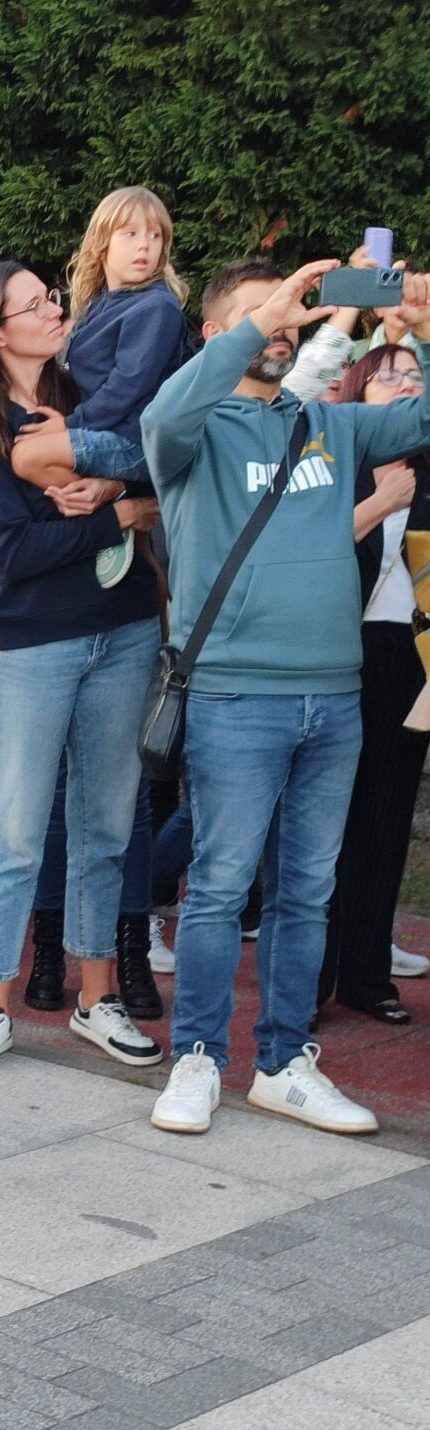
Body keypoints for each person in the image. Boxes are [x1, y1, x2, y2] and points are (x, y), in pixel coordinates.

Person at [146, 258, 430, 1137]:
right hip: (236, 698)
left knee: (307, 890)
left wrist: (417, 322)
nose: (279, 327)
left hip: (333, 698)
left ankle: (279, 1063)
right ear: (216, 332)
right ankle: (196, 1058)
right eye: (259, 316)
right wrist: (260, 313)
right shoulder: (191, 435)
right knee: (221, 887)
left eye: (288, 317)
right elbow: (162, 413)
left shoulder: (330, 425)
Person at [0, 261, 167, 1073]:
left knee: (107, 825)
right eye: (36, 305)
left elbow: (157, 478)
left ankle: (97, 999)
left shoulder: (96, 396)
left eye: (52, 298)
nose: (57, 311)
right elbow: (12, 551)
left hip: (126, 629)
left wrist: (127, 498)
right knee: (19, 833)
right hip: (31, 642)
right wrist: (116, 518)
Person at [315, 343, 430, 1026]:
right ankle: (308, 981)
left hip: (406, 655)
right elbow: (301, 543)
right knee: (320, 826)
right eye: (388, 376)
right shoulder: (333, 457)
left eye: (414, 377)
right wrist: (381, 501)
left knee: (386, 820)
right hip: (331, 651)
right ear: (359, 387)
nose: (403, 386)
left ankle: (366, 974)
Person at [10, 188, 190, 593]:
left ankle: (110, 519)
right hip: (106, 429)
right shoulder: (99, 304)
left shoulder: (156, 307)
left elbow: (128, 386)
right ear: (101, 242)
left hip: (137, 440)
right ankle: (115, 510)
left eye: (155, 235)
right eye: (130, 233)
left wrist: (69, 427)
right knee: (152, 572)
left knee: (27, 456)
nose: (144, 244)